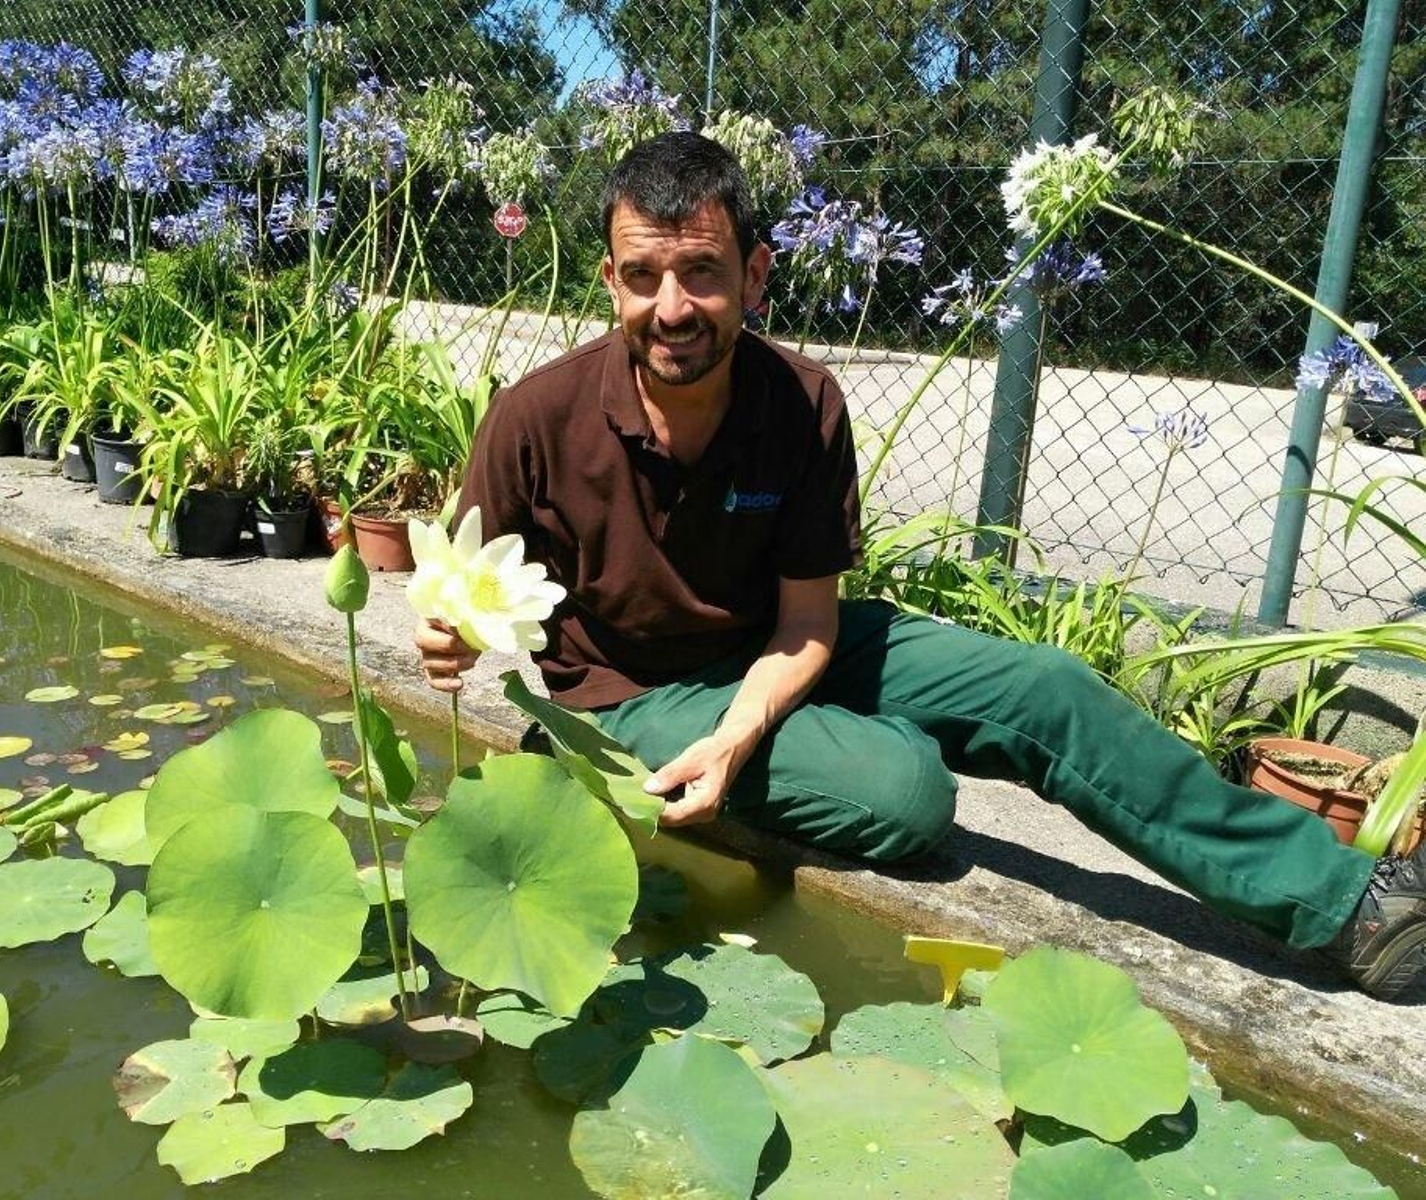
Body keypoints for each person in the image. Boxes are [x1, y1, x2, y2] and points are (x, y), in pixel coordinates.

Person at [414, 131, 1426, 1001]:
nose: (671, 307)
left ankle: (1341, 904)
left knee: (1047, 688)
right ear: (611, 281)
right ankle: (817, 748)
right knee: (906, 795)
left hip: (775, 645)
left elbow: (807, 623)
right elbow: (458, 577)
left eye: (701, 273)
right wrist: (442, 625)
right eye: (643, 277)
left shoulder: (803, 404)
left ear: (755, 275)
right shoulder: (534, 418)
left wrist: (743, 737)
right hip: (632, 692)